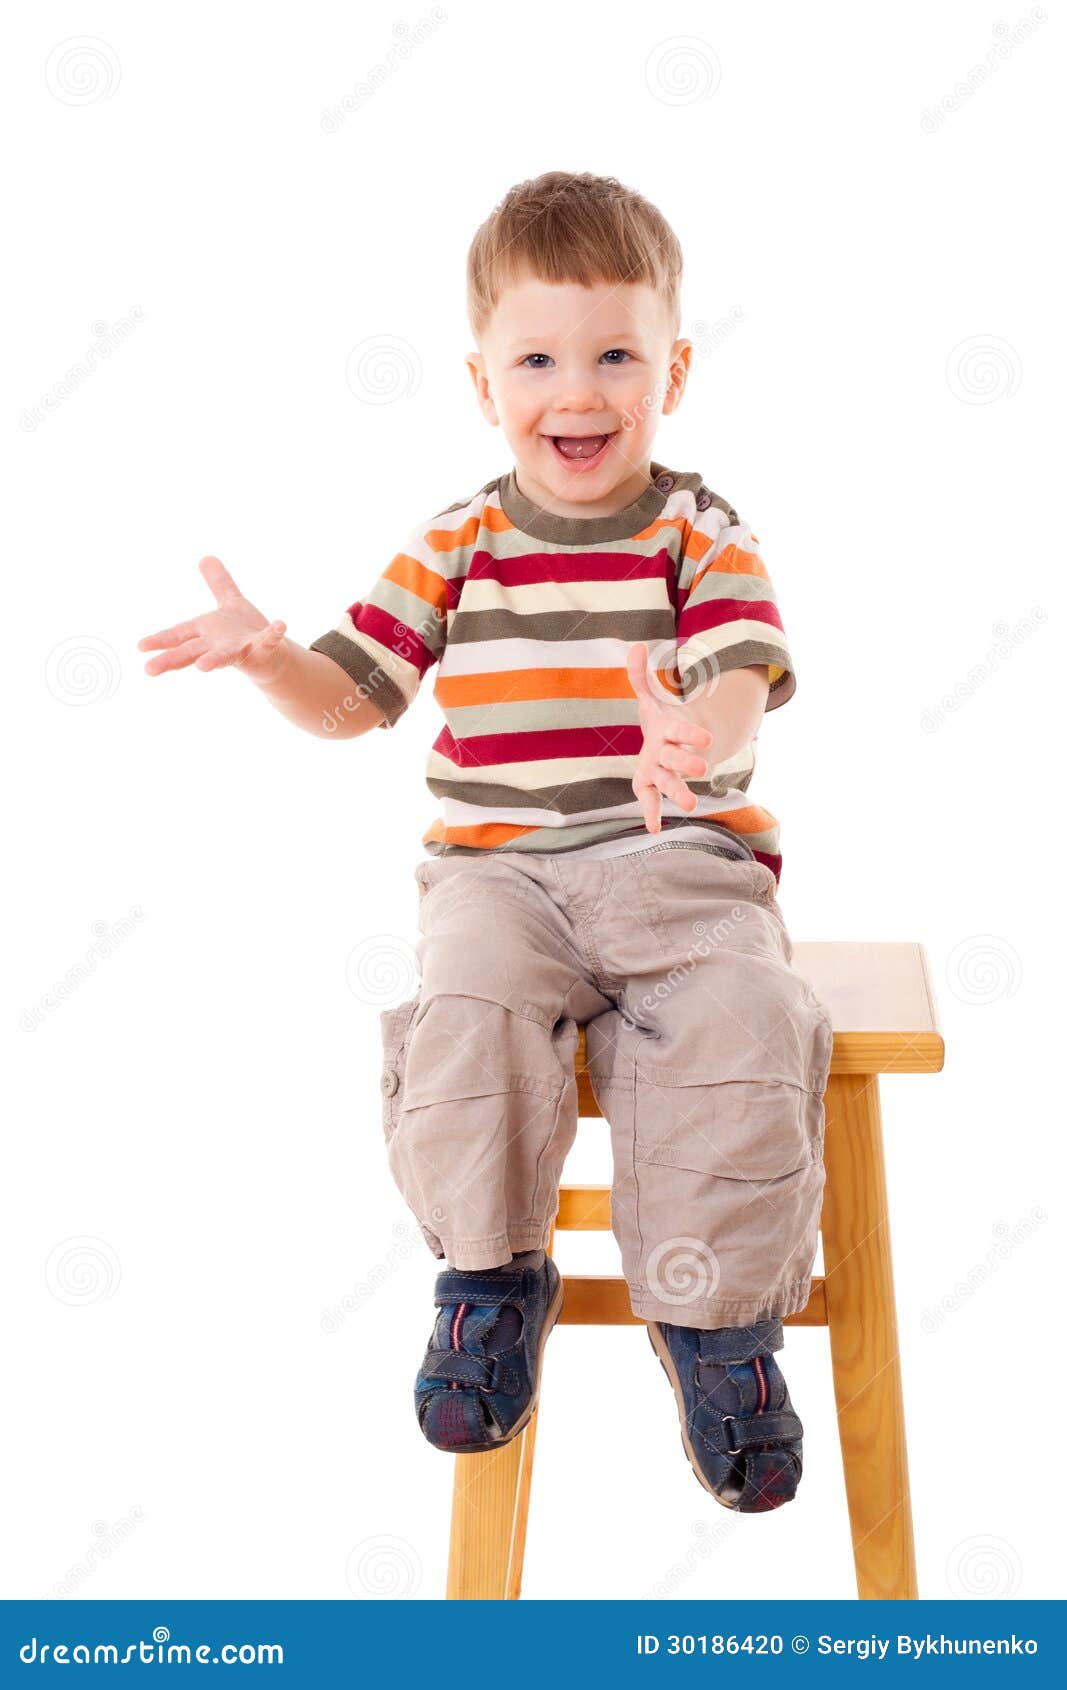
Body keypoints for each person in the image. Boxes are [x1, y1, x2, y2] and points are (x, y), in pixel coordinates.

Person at [138, 171, 834, 1514]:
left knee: (749, 1014)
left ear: (673, 368)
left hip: (680, 862)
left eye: (616, 354)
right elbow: (354, 699)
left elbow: (745, 673)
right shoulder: (459, 540)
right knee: (464, 1013)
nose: (577, 391)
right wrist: (275, 657)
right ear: (483, 383)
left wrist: (704, 732)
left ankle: (716, 1326)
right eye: (538, 358)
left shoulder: (703, 529)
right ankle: (489, 1277)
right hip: (498, 876)